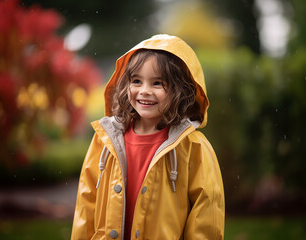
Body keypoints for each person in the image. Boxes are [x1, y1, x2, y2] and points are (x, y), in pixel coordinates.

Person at [71, 34, 225, 240]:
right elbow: (86, 203)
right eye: (136, 81)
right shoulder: (105, 140)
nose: (144, 91)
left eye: (157, 83)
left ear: (180, 90)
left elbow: (206, 215)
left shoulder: (194, 147)